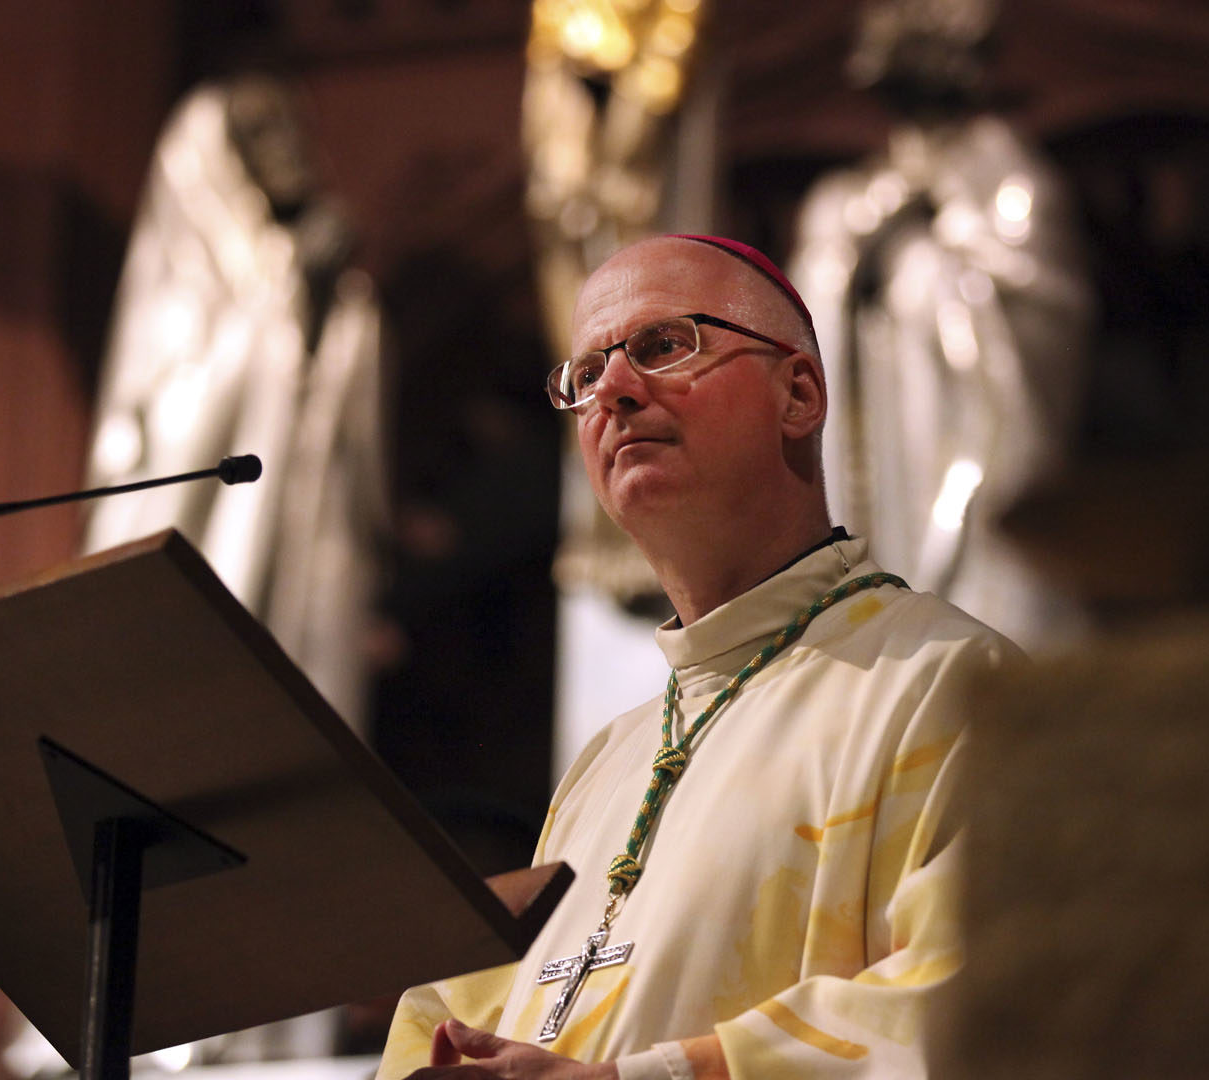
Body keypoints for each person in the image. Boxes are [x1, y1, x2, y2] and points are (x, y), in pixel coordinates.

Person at [376, 235, 1015, 1079]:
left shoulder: (952, 682)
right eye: (586, 375)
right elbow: (461, 1015)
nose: (615, 392)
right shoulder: (609, 761)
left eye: (662, 347)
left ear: (799, 394)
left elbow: (991, 995)